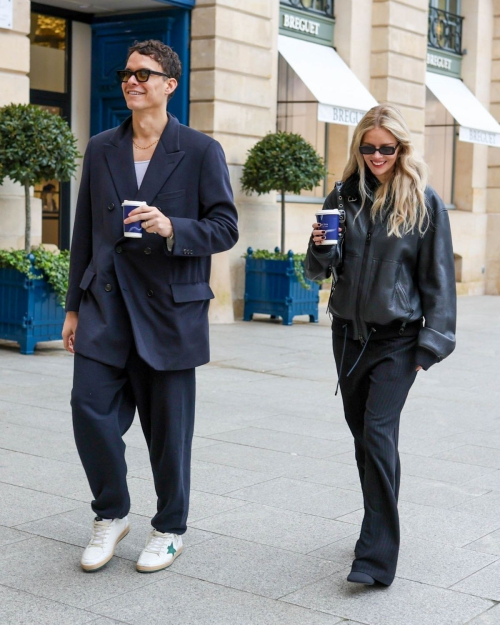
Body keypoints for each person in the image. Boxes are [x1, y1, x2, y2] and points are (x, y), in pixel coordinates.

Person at [62, 39, 238, 573]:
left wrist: (172, 228)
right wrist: (72, 308)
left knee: (168, 432)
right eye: (126, 73)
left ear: (170, 84)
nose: (131, 81)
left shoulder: (201, 150)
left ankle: (169, 527)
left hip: (168, 311)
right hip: (106, 304)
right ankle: (111, 513)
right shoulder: (100, 147)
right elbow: (84, 232)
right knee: (88, 410)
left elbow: (225, 227)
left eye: (144, 73)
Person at [305, 104, 456, 587]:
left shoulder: (424, 202)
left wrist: (429, 346)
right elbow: (317, 270)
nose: (376, 156)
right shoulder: (343, 196)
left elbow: (439, 280)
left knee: (376, 434)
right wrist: (318, 245)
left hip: (398, 340)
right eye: (368, 148)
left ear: (401, 149)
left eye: (386, 149)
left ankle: (375, 558)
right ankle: (377, 525)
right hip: (347, 337)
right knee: (365, 441)